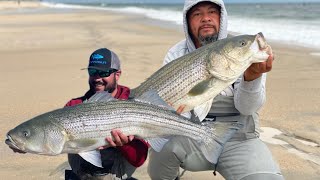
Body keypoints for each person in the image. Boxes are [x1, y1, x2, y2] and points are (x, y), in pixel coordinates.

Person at [147, 1, 284, 180]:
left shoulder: (242, 49)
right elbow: (161, 104)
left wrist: (253, 77)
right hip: (192, 135)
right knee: (159, 154)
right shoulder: (176, 54)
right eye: (197, 14)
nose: (206, 18)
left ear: (222, 17)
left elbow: (248, 109)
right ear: (187, 21)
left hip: (239, 139)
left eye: (212, 12)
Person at [65, 48, 149, 180]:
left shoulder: (136, 106)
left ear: (117, 74)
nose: (97, 78)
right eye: (93, 72)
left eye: (103, 73)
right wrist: (25, 143)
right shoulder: (74, 105)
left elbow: (139, 160)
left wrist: (125, 144)